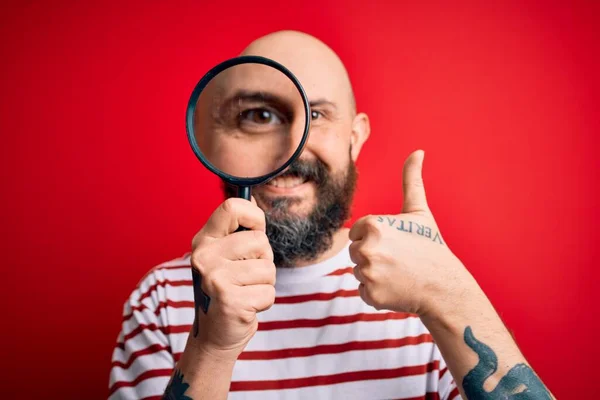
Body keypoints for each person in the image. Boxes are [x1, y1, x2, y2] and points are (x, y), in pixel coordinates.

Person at [108, 31, 554, 400]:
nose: (292, 150)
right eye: (259, 115)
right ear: (212, 138)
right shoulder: (161, 302)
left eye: (317, 115)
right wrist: (211, 347)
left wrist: (448, 297)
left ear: (355, 138)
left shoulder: (426, 295)